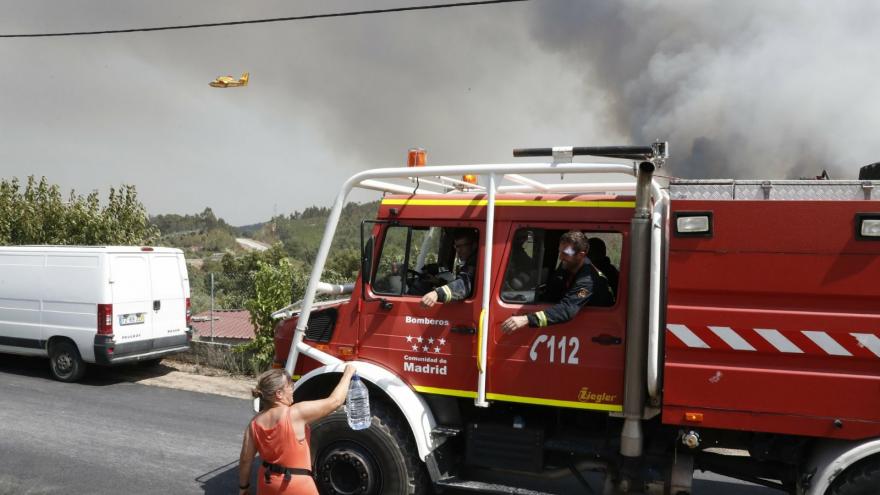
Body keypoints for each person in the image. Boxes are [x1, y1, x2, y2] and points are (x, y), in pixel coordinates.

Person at [238, 365, 356, 495]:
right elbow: (335, 401)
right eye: (289, 386)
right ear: (279, 394)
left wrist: (244, 487)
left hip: (267, 484)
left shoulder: (254, 423)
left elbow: (245, 460)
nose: (292, 389)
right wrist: (348, 373)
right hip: (296, 486)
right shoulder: (295, 413)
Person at [501, 231, 612, 334]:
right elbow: (553, 290)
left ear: (581, 255)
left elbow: (567, 310)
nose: (560, 257)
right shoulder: (568, 264)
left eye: (565, 253)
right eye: (559, 252)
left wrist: (527, 319)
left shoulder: (589, 280)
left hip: (595, 330)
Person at [420, 229, 477, 308]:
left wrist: (437, 293)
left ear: (474, 245)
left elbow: (464, 284)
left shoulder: (474, 263)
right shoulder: (470, 262)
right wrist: (438, 281)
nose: (458, 250)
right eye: (456, 246)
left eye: (462, 246)